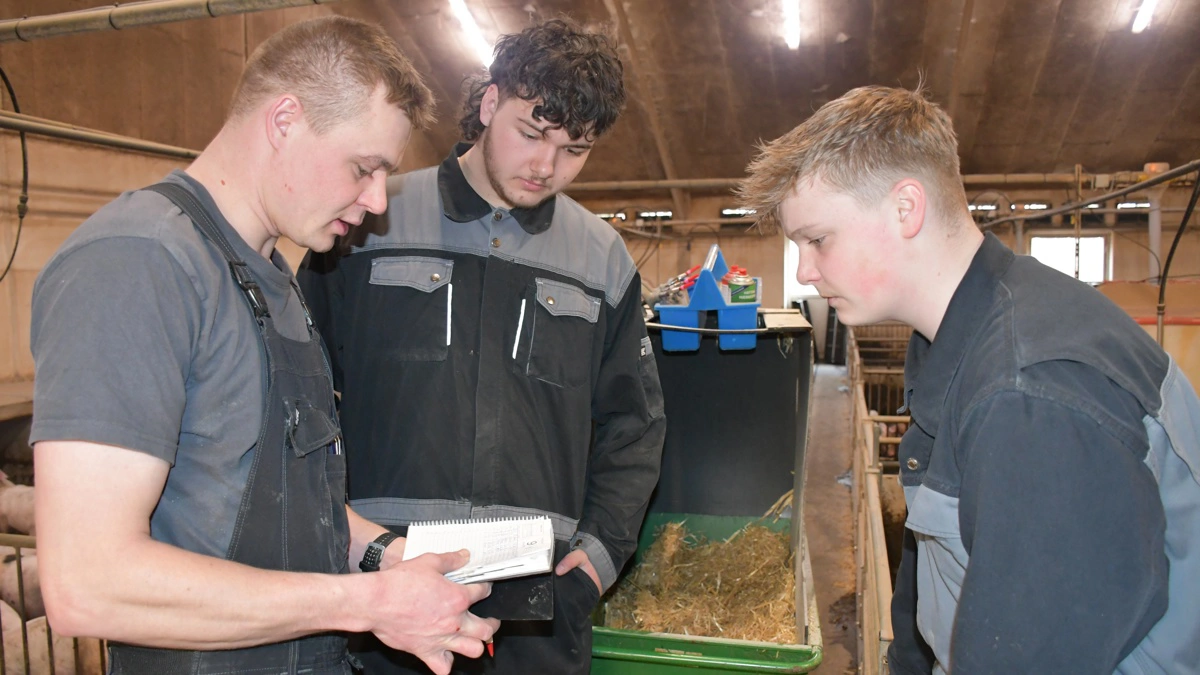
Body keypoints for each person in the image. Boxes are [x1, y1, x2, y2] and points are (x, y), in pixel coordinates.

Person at [30, 16, 498, 675]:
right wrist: (364, 602)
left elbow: (286, 506)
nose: (374, 200)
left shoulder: (272, 276)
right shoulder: (139, 262)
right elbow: (90, 582)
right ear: (284, 121)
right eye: (364, 168)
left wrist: (389, 559)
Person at [739, 85, 1200, 673]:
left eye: (817, 240)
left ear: (906, 208)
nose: (804, 270)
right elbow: (932, 564)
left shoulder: (1032, 391)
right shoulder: (960, 337)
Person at [297, 18, 666, 675]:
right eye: (532, 134)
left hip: (539, 604)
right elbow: (297, 395)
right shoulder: (368, 222)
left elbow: (633, 425)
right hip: (388, 587)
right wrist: (340, 534)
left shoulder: (602, 258)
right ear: (490, 104)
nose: (545, 166)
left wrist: (599, 555)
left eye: (574, 148)